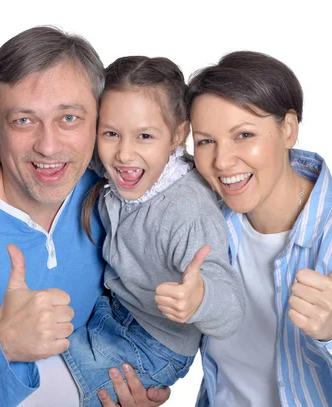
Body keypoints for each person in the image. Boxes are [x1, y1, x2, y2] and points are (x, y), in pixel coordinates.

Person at [0, 26, 171, 407]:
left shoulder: (109, 190)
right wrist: (3, 345)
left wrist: (123, 388)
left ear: (98, 118)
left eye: (70, 118)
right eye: (23, 121)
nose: (48, 145)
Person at [187, 51, 332, 406]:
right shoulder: (212, 222)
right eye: (205, 141)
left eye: (243, 134)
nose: (221, 160)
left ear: (289, 129)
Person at [59, 55, 244, 406]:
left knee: (45, 392)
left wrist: (200, 298)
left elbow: (232, 309)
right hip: (112, 312)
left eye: (145, 135)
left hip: (152, 345)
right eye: (110, 133)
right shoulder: (122, 163)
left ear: (177, 135)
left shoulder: (186, 211)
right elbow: (37, 134)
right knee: (20, 366)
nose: (124, 153)